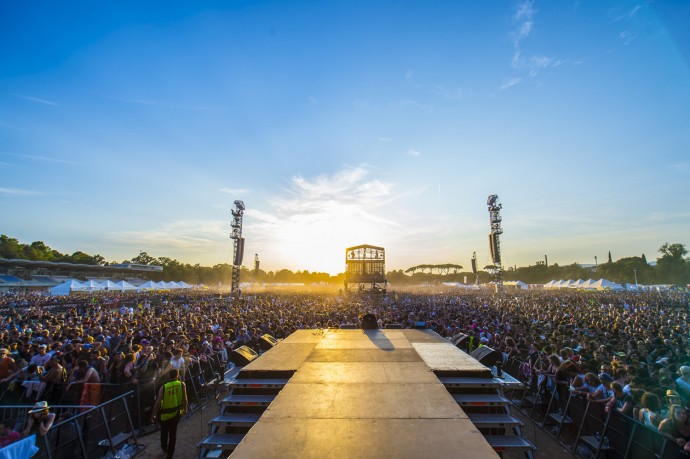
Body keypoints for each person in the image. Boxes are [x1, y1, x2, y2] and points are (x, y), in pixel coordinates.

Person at [151, 369, 188, 459]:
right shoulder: (181, 384)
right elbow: (185, 399)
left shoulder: (164, 387)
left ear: (169, 376)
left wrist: (153, 414)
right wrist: (184, 410)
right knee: (173, 433)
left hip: (164, 415)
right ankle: (170, 454)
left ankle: (164, 448)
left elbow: (158, 403)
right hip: (176, 413)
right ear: (177, 375)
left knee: (164, 432)